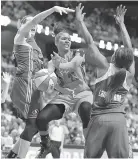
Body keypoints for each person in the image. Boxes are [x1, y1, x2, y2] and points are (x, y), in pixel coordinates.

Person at [7, 6, 75, 159]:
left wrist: (55, 64)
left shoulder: (37, 47)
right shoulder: (20, 38)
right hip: (24, 86)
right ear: (21, 25)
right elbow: (34, 21)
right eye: (29, 24)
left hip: (37, 89)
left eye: (34, 26)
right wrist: (53, 9)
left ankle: (11, 155)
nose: (32, 27)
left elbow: (44, 73)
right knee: (32, 125)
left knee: (37, 126)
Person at [76, 4, 135, 158]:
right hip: (118, 121)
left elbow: (89, 42)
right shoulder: (129, 74)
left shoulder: (103, 66)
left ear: (114, 58)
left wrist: (80, 22)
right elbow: (129, 47)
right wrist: (122, 24)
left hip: (99, 120)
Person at [35, 15, 93, 159]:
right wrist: (45, 79)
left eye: (69, 38)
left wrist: (57, 64)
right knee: (41, 118)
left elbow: (73, 65)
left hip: (83, 94)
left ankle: (91, 147)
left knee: (86, 110)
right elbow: (50, 81)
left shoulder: (79, 52)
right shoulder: (51, 61)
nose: (67, 40)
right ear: (56, 42)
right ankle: (46, 145)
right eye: (63, 38)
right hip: (65, 97)